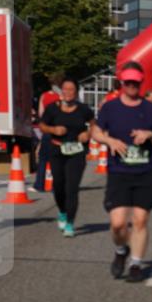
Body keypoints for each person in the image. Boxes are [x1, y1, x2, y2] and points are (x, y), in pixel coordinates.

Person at [90, 62, 152, 282]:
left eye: (136, 82)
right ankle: (121, 250)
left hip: (146, 172)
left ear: (141, 82)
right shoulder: (110, 107)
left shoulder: (150, 109)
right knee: (117, 224)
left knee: (140, 220)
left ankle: (135, 263)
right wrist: (109, 140)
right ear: (122, 82)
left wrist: (150, 134)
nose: (132, 85)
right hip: (119, 172)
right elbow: (95, 131)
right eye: (128, 82)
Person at [39, 78, 94, 236]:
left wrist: (88, 133)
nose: (68, 92)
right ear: (61, 91)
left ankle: (69, 223)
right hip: (57, 150)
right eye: (65, 89)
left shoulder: (83, 109)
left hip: (77, 151)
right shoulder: (52, 109)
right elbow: (42, 125)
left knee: (72, 188)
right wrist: (53, 130)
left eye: (71, 89)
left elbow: (95, 124)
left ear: (76, 92)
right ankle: (62, 211)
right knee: (58, 186)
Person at [32, 75, 63, 193]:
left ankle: (39, 184)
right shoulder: (61, 97)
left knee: (43, 158)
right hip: (59, 129)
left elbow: (40, 113)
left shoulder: (44, 96)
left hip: (47, 129)